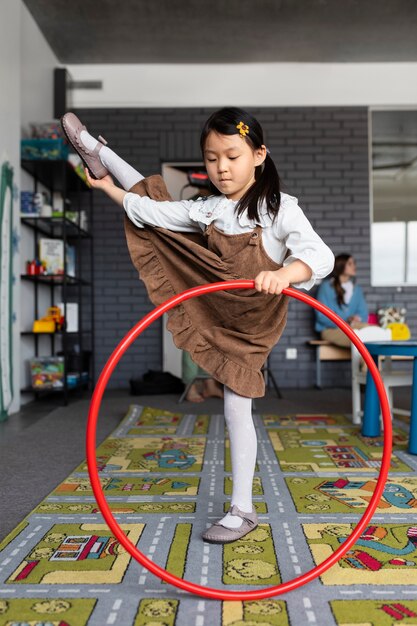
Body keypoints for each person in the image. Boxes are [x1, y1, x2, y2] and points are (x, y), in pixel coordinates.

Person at [61, 107, 334, 543]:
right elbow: (152, 214)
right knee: (158, 211)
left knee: (234, 407)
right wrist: (108, 189)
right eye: (211, 158)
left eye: (232, 155)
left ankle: (243, 509)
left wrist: (283, 274)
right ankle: (98, 153)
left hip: (253, 322)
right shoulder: (208, 208)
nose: (221, 167)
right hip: (216, 302)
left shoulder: (280, 209)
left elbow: (321, 258)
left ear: (259, 155)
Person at [314, 253, 369, 347]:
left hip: (352, 328)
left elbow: (363, 314)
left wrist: (357, 318)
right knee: (361, 340)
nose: (354, 266)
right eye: (350, 263)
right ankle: (367, 361)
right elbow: (321, 315)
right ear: (341, 265)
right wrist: (346, 321)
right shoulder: (326, 287)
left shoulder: (357, 289)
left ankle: (366, 361)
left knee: (373, 331)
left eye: (354, 263)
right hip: (330, 330)